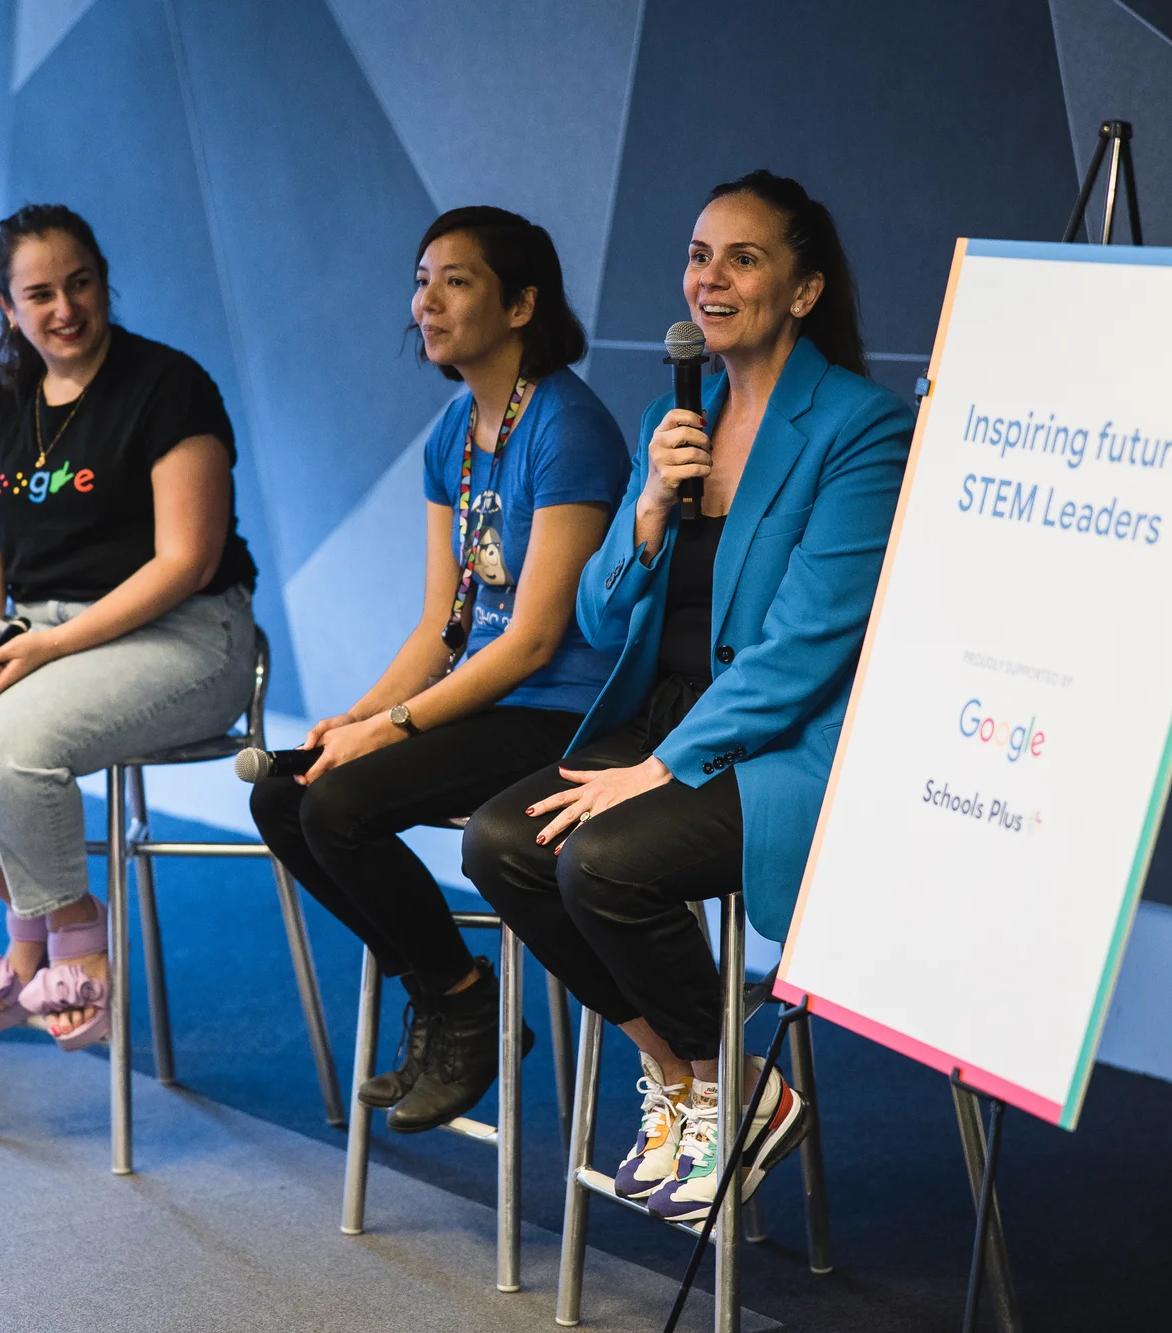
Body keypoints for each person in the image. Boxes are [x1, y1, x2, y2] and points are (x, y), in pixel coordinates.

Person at [462, 171, 913, 1221]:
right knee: (499, 843)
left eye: (742, 259)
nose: (708, 279)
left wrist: (657, 771)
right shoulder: (682, 413)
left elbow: (803, 649)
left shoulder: (859, 430)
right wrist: (651, 509)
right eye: (699, 256)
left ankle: (726, 1084)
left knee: (605, 861)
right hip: (661, 714)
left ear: (801, 291)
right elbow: (602, 614)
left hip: (782, 744)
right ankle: (696, 1078)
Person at [249, 207, 628, 1132]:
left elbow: (535, 638)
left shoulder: (567, 427)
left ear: (521, 303)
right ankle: (453, 993)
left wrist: (397, 728)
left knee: (341, 807)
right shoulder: (451, 434)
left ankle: (461, 1001)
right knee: (289, 793)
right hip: (489, 694)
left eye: (456, 281)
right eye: (422, 280)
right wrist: (361, 715)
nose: (427, 301)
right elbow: (440, 626)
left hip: (564, 710)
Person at [0, 204, 260, 1051]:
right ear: (8, 307)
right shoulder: (1, 396)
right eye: (40, 293)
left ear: (105, 279)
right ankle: (57, 905)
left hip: (185, 633)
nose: (65, 308)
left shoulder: (169, 385)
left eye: (80, 283)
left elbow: (186, 560)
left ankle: (58, 936)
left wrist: (44, 647)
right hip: (33, 629)